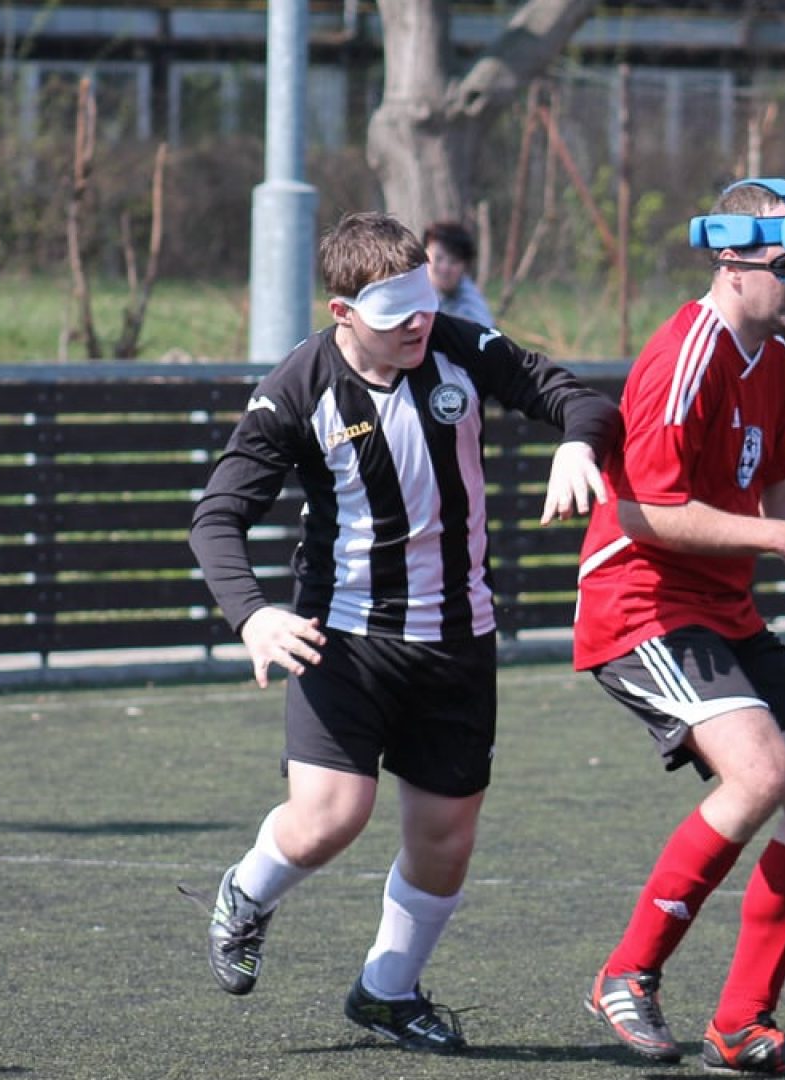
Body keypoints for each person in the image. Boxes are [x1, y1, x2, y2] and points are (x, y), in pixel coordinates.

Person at [188, 211, 619, 1055]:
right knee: (329, 818)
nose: (418, 324)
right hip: (343, 641)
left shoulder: (458, 344)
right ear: (344, 314)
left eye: (423, 304)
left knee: (445, 839)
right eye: (397, 317)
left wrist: (578, 442)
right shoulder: (297, 387)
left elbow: (579, 399)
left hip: (460, 640)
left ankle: (387, 992)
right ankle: (246, 893)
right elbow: (217, 518)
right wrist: (254, 613)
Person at [571, 178, 785, 1079]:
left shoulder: (773, 358)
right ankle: (625, 974)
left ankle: (744, 1023)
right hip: (641, 602)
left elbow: (781, 486)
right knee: (761, 775)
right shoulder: (687, 354)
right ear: (731, 258)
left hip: (720, 608)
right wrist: (784, 537)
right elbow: (647, 510)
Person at [422, 221, 496, 326]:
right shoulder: (407, 291)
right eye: (438, 258)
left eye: (453, 261)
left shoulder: (471, 304)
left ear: (465, 266)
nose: (445, 268)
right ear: (424, 255)